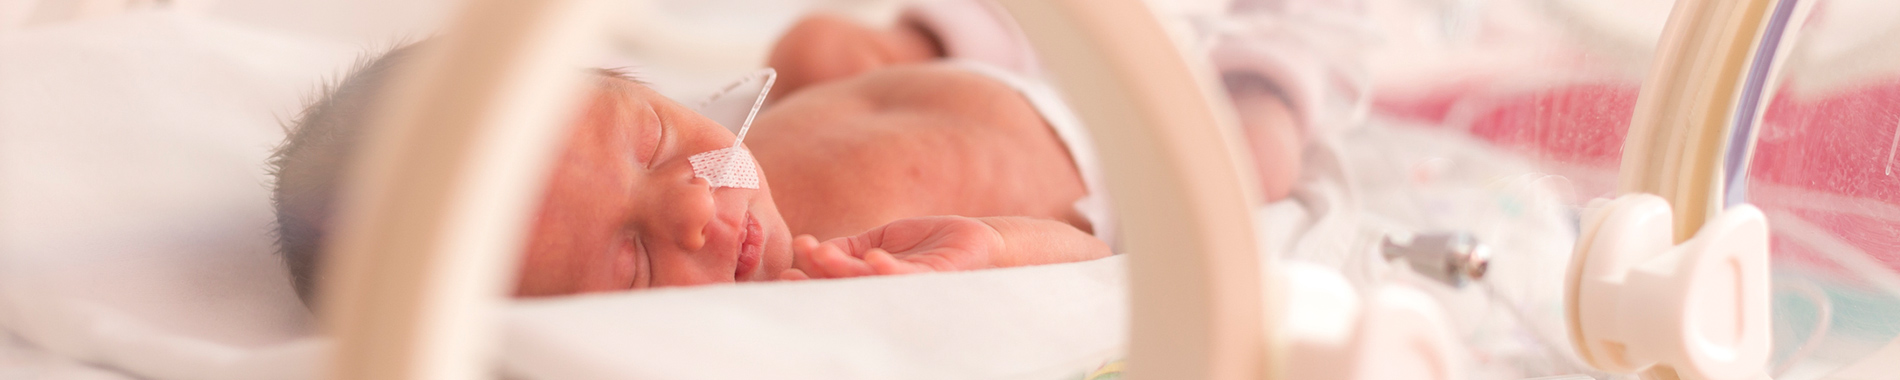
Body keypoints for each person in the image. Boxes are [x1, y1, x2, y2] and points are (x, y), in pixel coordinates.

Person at [272, 0, 1308, 305]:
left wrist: (888, 57)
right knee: (1246, 179)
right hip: (1118, 158)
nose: (691, 205)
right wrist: (990, 250)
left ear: (640, 89)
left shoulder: (727, 159)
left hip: (983, 61)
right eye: (632, 259)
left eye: (648, 139)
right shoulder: (820, 277)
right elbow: (1096, 272)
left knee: (815, 45)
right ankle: (1265, 77)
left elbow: (725, 131)